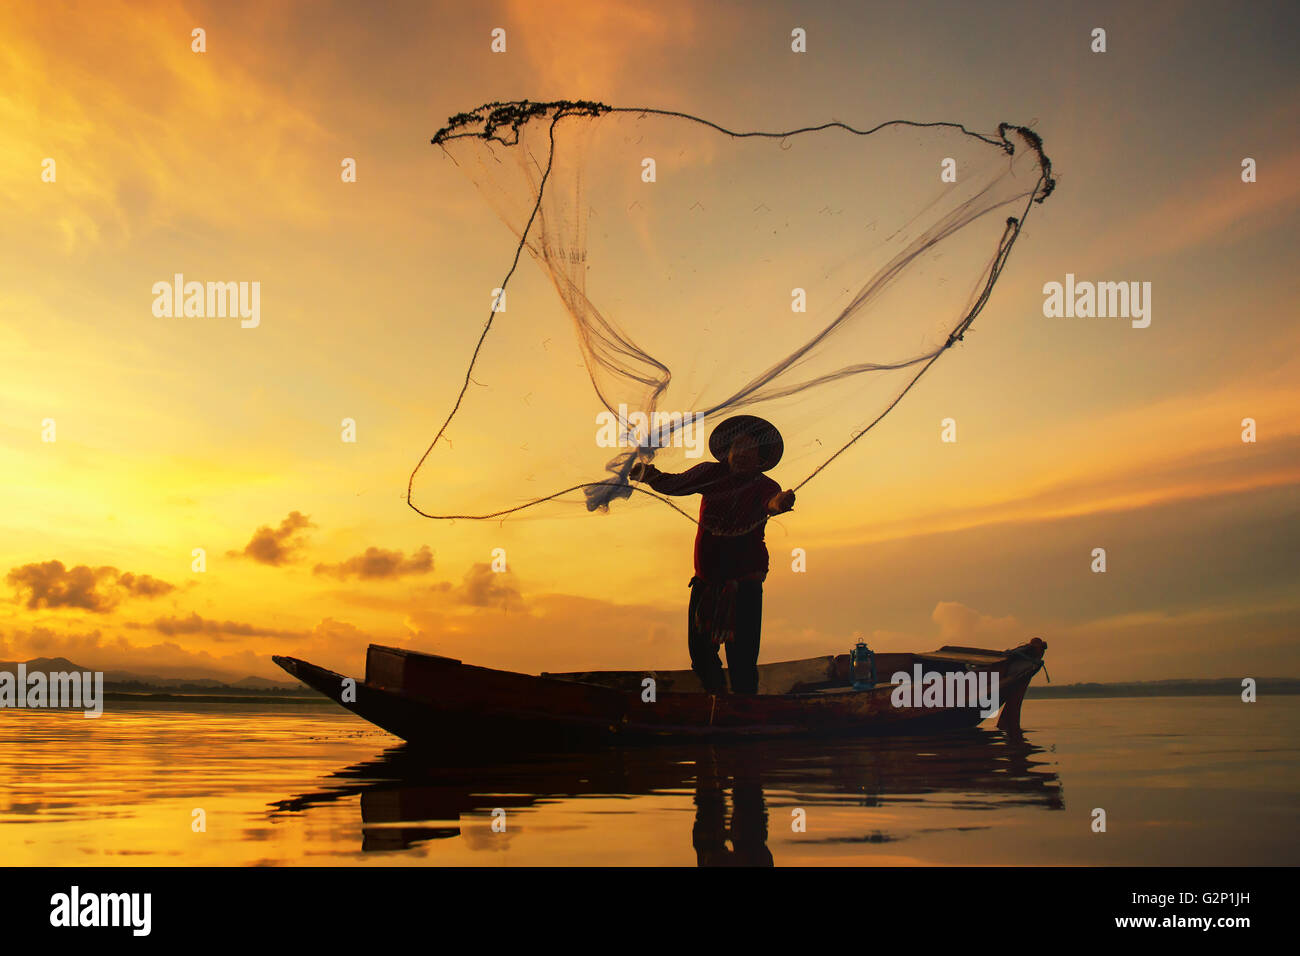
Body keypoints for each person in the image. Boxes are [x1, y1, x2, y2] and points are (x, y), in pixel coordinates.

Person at [629, 415, 794, 695]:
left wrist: (782, 502)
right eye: (737, 448)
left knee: (742, 661)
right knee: (701, 656)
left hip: (744, 587)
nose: (741, 454)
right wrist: (649, 475)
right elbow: (675, 484)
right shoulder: (710, 474)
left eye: (749, 450)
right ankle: (716, 701)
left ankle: (743, 716)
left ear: (760, 458)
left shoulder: (764, 485)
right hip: (706, 583)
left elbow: (772, 502)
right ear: (727, 452)